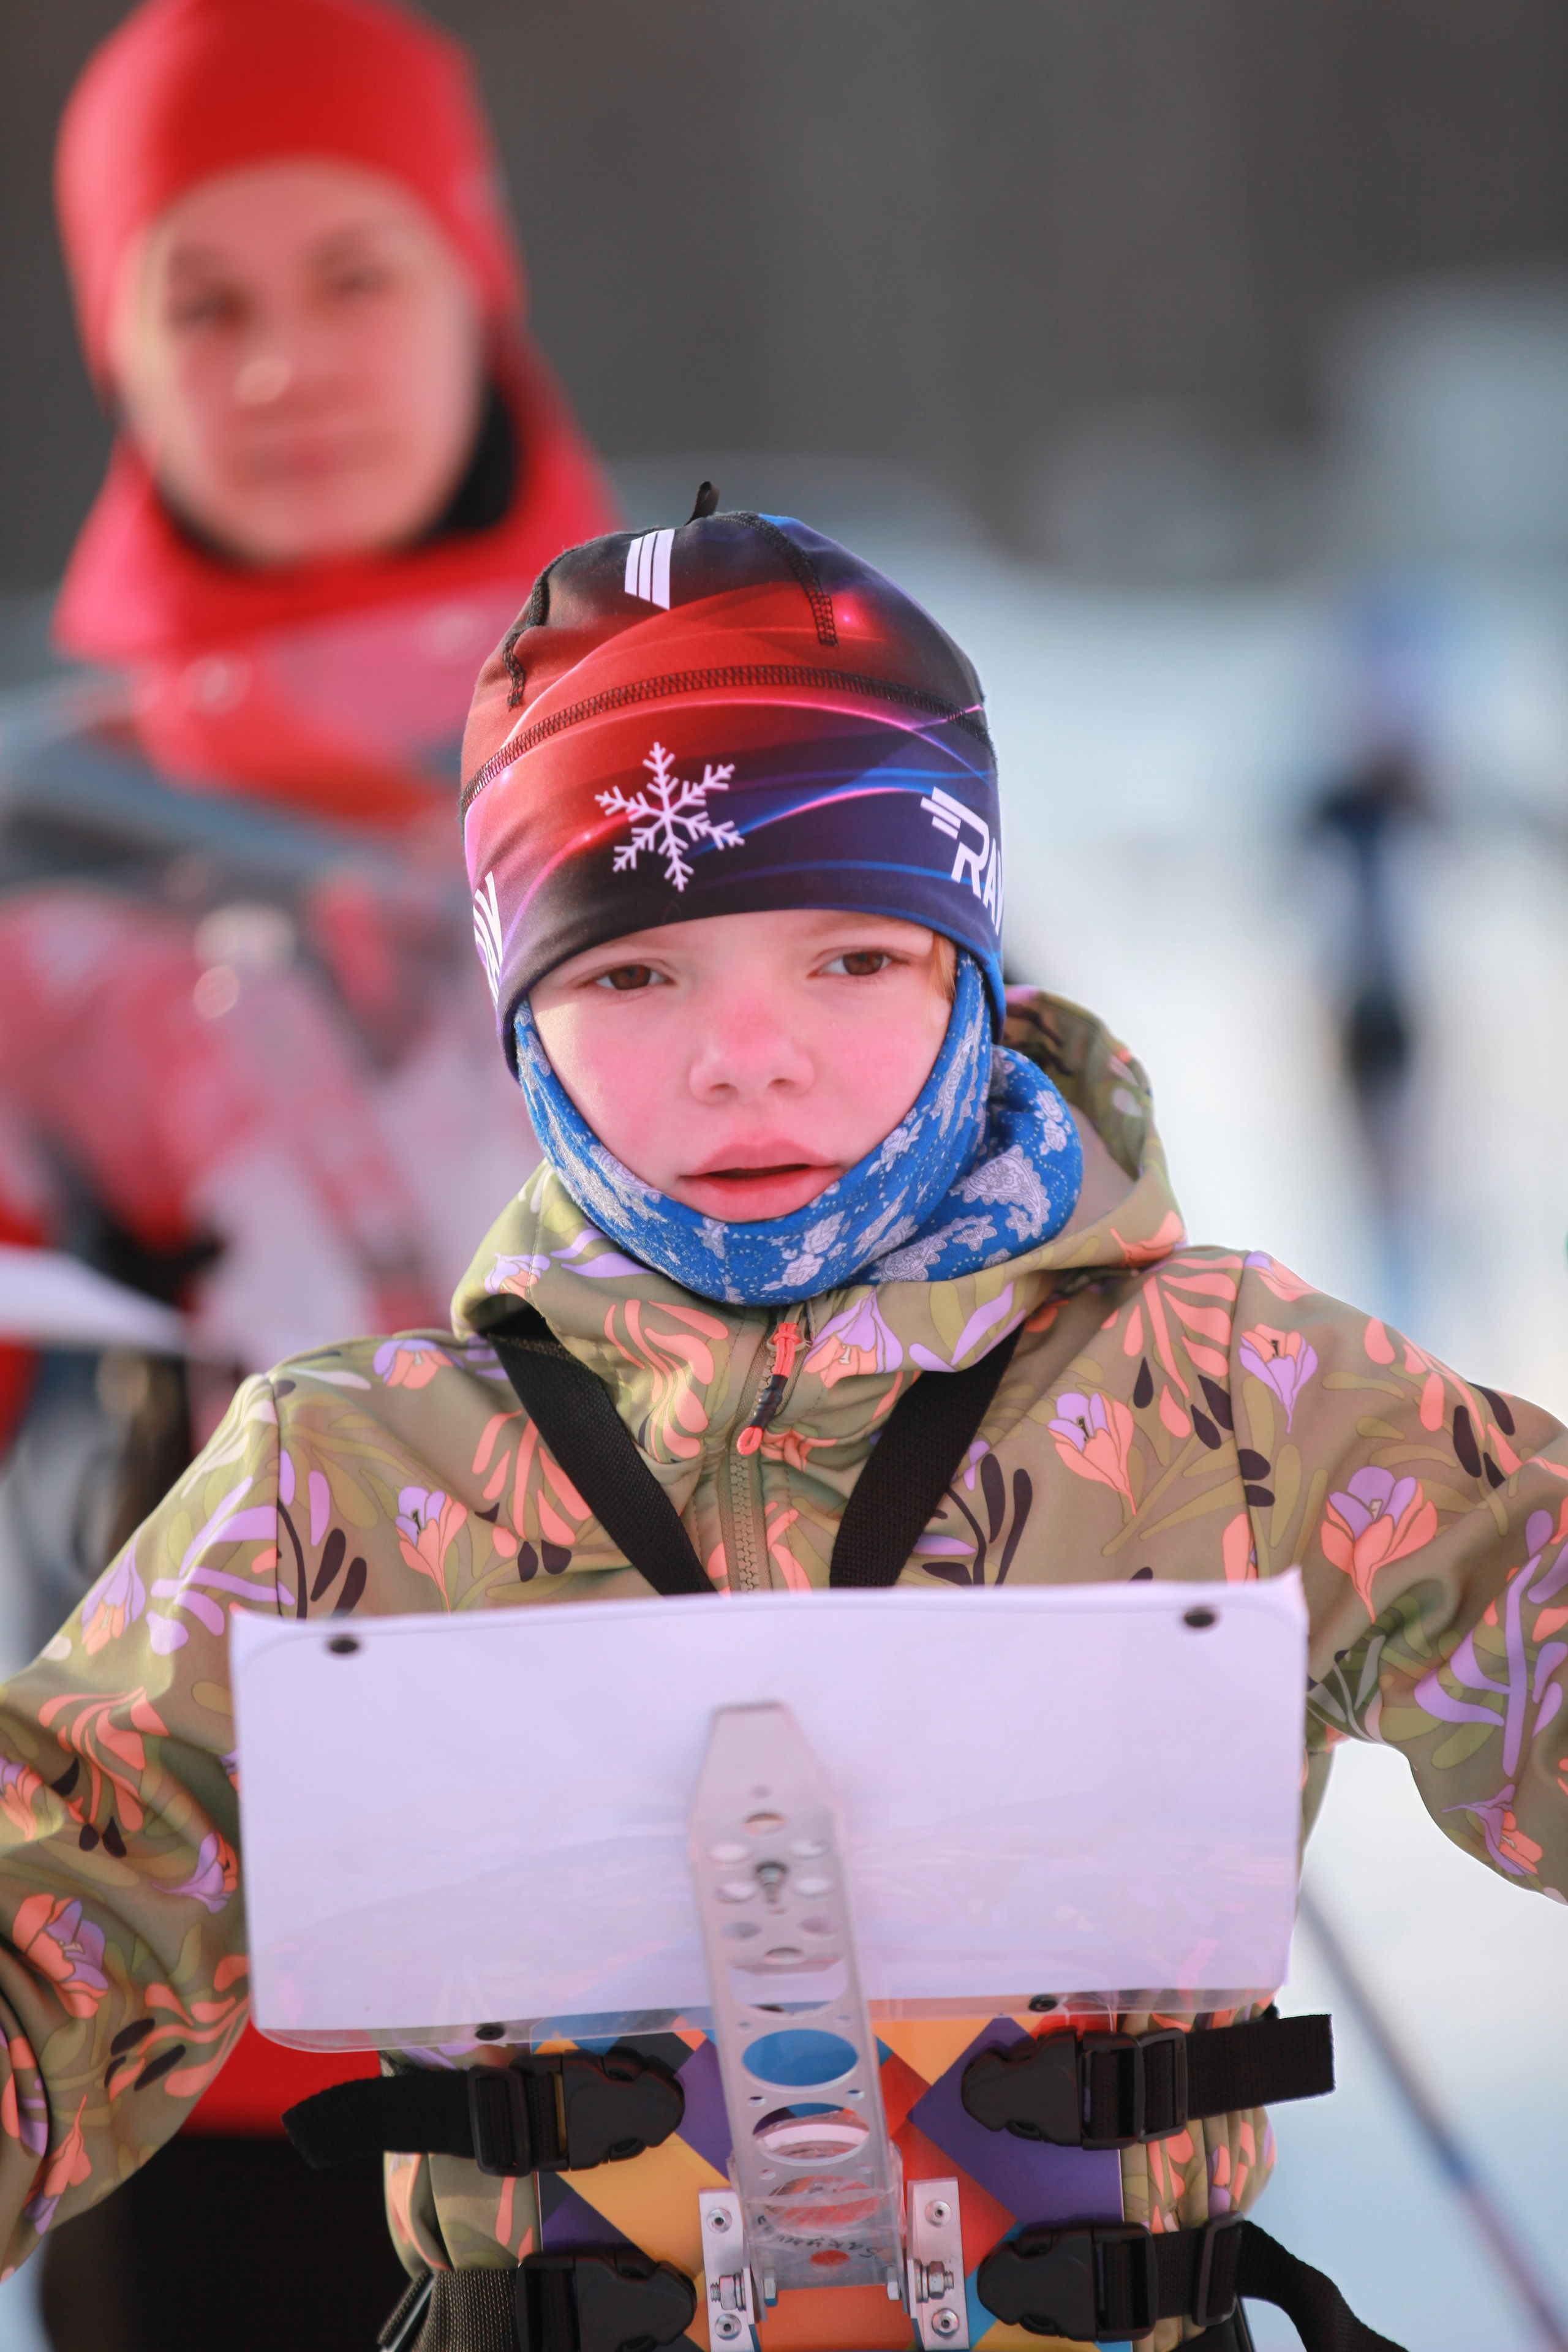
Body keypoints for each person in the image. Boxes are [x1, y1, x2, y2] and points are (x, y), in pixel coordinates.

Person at [0, 508, 1562, 2352]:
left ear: (972, 969)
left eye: (849, 960)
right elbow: (67, 1891)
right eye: (633, 974)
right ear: (520, 1018)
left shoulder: (1235, 1393)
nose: (747, 1055)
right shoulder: (351, 1481)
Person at [0, 1, 615, 2337]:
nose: (286, 364)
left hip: (743, 1981)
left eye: (354, 275)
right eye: (206, 300)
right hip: (211, 2039)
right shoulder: (36, 880)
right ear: (120, 352)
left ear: (476, 285)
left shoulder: (726, 749)